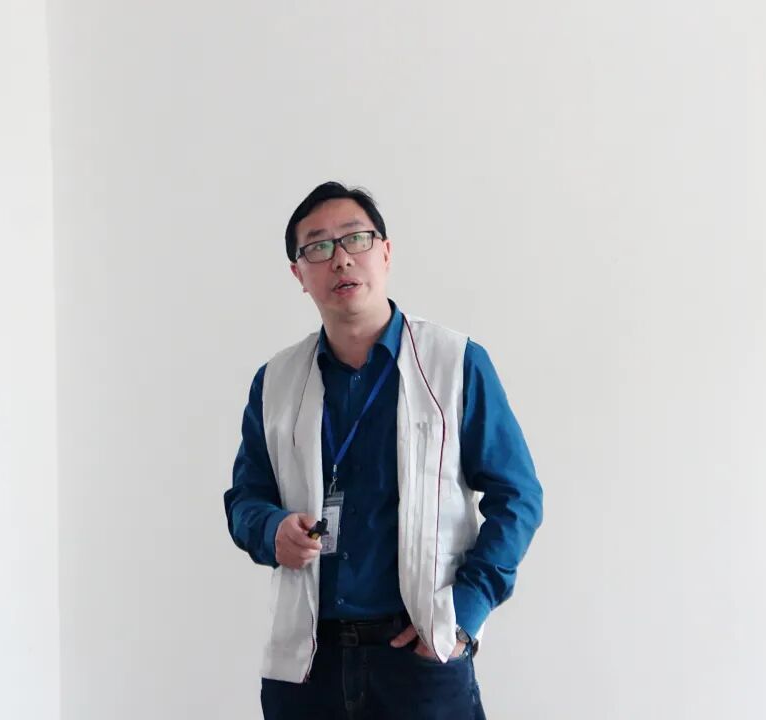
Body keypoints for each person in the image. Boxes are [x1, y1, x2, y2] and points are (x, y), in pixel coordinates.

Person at [224, 181, 543, 720]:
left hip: (419, 661)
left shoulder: (454, 363)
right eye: (318, 247)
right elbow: (244, 499)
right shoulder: (275, 381)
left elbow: (518, 497)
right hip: (308, 667)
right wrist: (270, 529)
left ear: (386, 252)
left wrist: (463, 615)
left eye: (356, 238)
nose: (340, 258)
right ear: (299, 274)